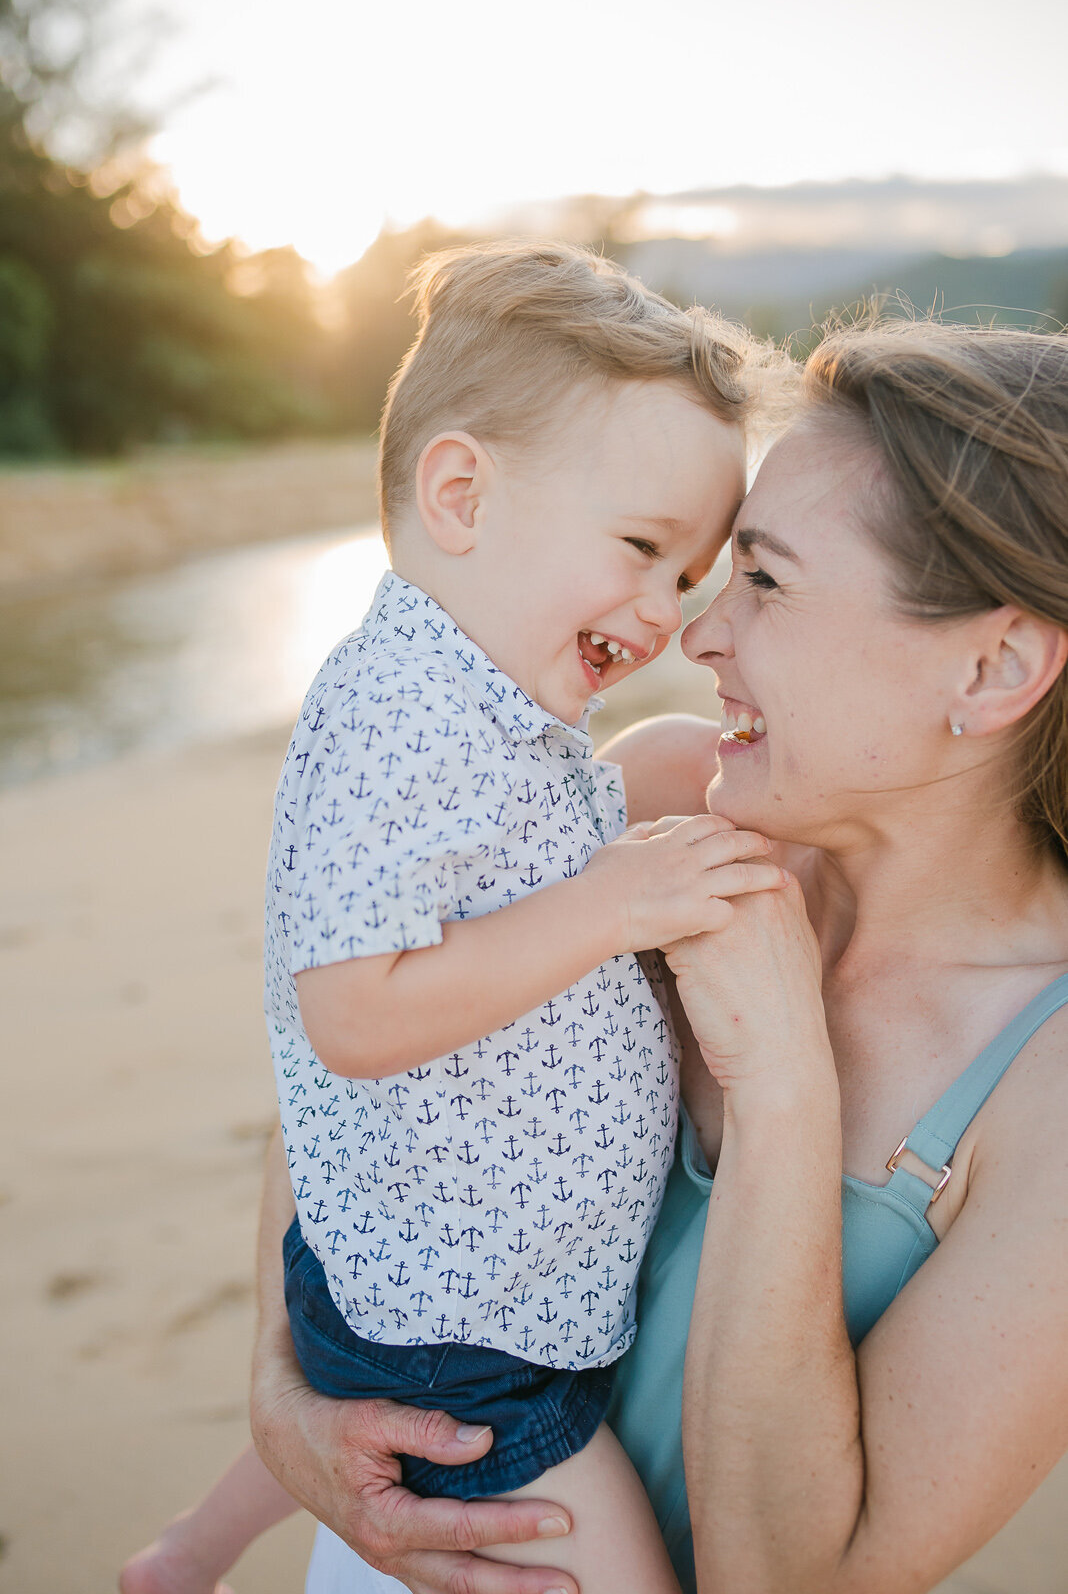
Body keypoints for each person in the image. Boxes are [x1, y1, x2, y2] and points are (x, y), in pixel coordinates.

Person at [246, 316, 1068, 1594]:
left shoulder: (1048, 1084)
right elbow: (363, 1045)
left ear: (996, 661)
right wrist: (279, 1391)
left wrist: (786, 1081)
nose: (696, 637)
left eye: (768, 581)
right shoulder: (666, 798)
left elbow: (791, 1577)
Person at [120, 240, 789, 1594]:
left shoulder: (491, 700)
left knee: (339, 1346)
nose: (666, 614)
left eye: (696, 575)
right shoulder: (397, 712)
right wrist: (609, 907)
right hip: (468, 1340)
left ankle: (191, 1551)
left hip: (422, 1266)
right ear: (463, 494)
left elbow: (497, 871)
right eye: (644, 552)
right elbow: (355, 1013)